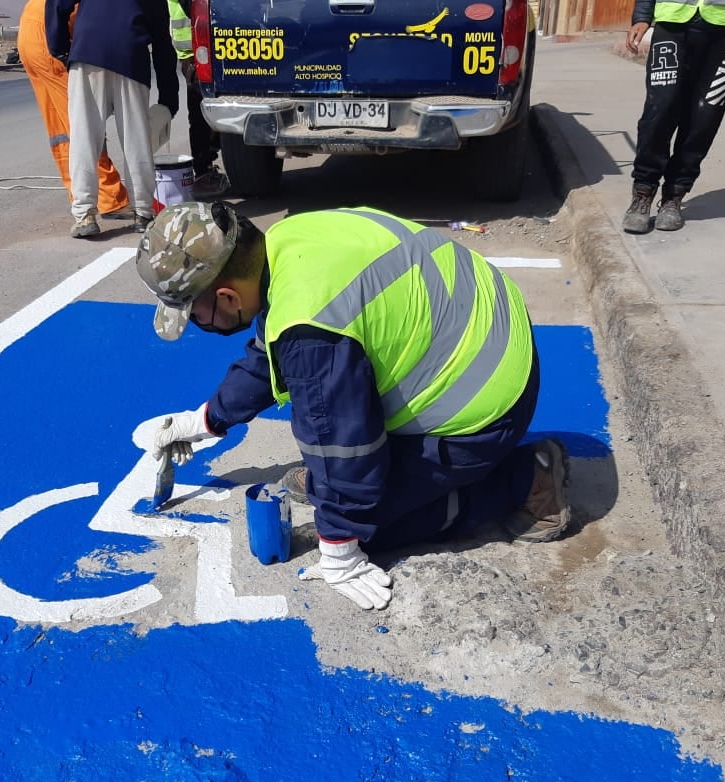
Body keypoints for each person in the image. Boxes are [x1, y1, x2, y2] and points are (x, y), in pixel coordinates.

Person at [137, 201, 571, 612]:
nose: (197, 324)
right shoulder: (288, 244)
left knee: (369, 525)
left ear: (229, 297)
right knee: (342, 484)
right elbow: (271, 353)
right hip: (490, 335)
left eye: (194, 314)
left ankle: (528, 477)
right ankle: (368, 486)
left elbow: (343, 441)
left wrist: (341, 545)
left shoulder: (309, 330)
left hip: (486, 406)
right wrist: (206, 419)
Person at [622, 0, 725, 234]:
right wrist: (642, 16)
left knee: (705, 117)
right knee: (659, 110)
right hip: (672, 23)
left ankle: (674, 196)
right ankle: (643, 190)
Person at [47, 0, 180, 238]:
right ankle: (143, 212)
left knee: (84, 138)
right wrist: (169, 98)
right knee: (136, 140)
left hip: (87, 50)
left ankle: (85, 214)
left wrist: (59, 47)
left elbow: (58, 3)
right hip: (130, 54)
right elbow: (162, 43)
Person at [16, 0, 129, 217]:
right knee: (84, 122)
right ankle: (109, 200)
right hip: (49, 37)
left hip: (31, 34)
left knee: (61, 127)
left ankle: (79, 193)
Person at [165, 0, 230, 199]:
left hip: (201, 47)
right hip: (195, 49)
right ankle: (202, 171)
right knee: (201, 114)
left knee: (210, 109)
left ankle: (206, 163)